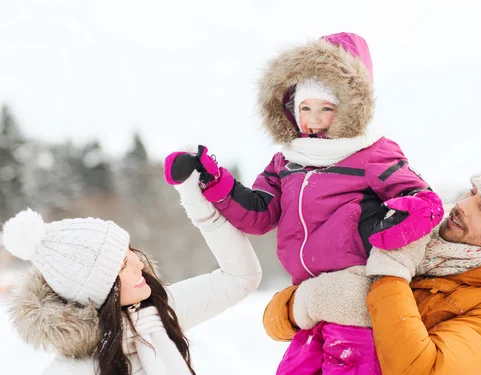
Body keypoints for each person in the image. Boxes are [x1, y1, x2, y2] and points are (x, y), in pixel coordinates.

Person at [163, 32, 443, 373]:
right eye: (305, 108)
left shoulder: (372, 152)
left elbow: (418, 198)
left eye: (326, 108)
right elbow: (259, 213)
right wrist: (216, 182)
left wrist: (392, 223)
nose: (312, 119)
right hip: (310, 297)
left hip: (355, 296)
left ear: (352, 107)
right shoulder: (287, 160)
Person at [263, 166, 481, 375]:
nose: (463, 204)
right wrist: (306, 302)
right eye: (473, 193)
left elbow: (421, 370)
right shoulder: (410, 239)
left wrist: (391, 274)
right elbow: (274, 323)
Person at [4, 171, 262, 375]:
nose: (139, 264)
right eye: (122, 265)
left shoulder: (161, 312)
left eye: (129, 252)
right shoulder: (72, 370)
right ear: (97, 294)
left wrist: (195, 198)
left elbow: (242, 277)